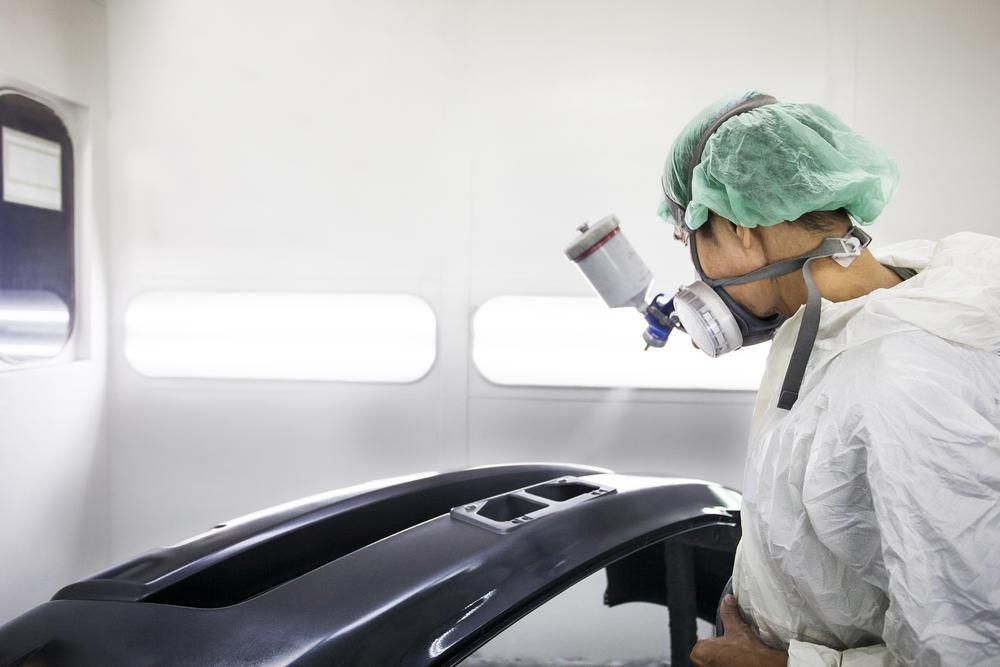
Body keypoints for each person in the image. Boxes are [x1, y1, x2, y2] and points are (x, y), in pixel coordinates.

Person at [656, 91, 1000, 666]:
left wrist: (779, 665)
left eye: (691, 240)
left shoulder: (902, 381)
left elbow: (968, 647)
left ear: (740, 227)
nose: (699, 273)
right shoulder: (866, 297)